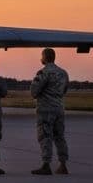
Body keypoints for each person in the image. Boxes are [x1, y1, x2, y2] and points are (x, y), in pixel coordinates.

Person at [30, 47, 70, 175]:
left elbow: (34, 92)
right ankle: (63, 164)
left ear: (45, 58)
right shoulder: (63, 73)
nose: (41, 59)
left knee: (45, 137)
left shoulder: (43, 73)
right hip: (59, 108)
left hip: (46, 110)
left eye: (42, 56)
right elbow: (64, 90)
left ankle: (46, 164)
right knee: (59, 137)